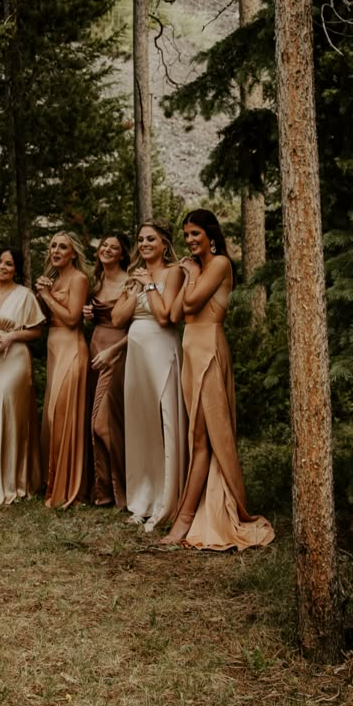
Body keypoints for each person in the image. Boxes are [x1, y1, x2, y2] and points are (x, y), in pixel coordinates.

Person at [160, 210, 274, 550]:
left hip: (209, 345)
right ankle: (192, 514)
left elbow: (193, 301)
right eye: (187, 235)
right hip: (191, 349)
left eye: (196, 233)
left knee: (205, 438)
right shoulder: (197, 270)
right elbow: (177, 313)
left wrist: (191, 273)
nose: (191, 240)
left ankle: (184, 522)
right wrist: (188, 276)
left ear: (211, 234)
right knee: (198, 433)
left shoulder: (220, 264)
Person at [112, 221, 186, 532]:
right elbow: (117, 319)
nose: (144, 244)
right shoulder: (133, 277)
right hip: (136, 356)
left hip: (161, 349)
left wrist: (150, 284)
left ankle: (165, 500)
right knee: (139, 425)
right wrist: (137, 286)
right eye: (141, 239)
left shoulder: (173, 272)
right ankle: (141, 500)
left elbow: (165, 315)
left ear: (164, 243)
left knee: (163, 421)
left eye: (150, 239)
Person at [0, 248, 44, 504]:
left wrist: (12, 336)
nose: (2, 267)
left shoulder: (25, 296)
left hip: (15, 359)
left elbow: (36, 331)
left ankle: (15, 480)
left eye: (9, 263)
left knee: (11, 412)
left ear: (16, 269)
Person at [35, 231, 90, 508]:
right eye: (53, 245)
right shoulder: (54, 280)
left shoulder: (79, 279)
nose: (56, 250)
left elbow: (71, 318)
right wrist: (40, 295)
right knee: (51, 418)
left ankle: (67, 485)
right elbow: (46, 319)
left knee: (62, 416)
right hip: (54, 349)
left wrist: (46, 294)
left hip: (72, 348)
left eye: (63, 247)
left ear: (73, 253)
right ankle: (52, 479)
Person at [84, 232, 131, 508]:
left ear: (123, 254)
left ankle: (123, 487)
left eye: (114, 247)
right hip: (95, 348)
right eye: (104, 245)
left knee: (103, 423)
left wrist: (114, 352)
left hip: (118, 352)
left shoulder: (130, 280)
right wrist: (88, 315)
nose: (107, 250)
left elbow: (136, 325)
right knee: (102, 420)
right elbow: (95, 315)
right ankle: (104, 492)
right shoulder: (96, 280)